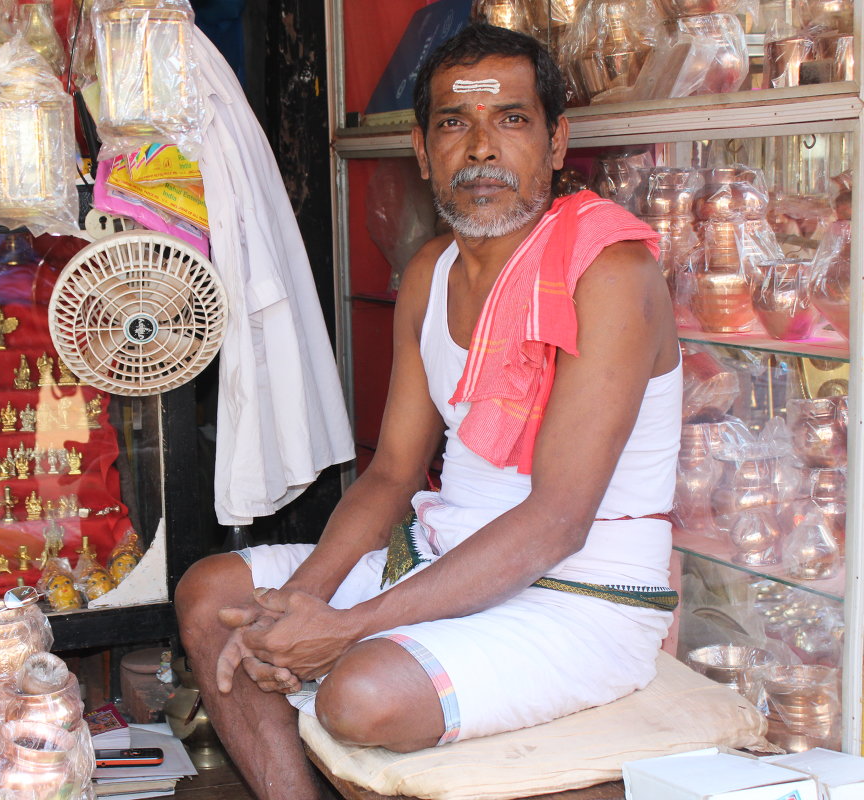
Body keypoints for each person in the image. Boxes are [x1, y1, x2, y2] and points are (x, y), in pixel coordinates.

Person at [176, 23, 681, 800]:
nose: (481, 149)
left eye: (511, 120)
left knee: (363, 694)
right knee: (214, 599)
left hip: (583, 598)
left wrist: (346, 627)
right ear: (422, 149)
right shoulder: (431, 271)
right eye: (455, 123)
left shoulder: (610, 272)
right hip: (441, 558)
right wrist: (302, 604)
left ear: (555, 144)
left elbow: (557, 523)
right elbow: (391, 476)